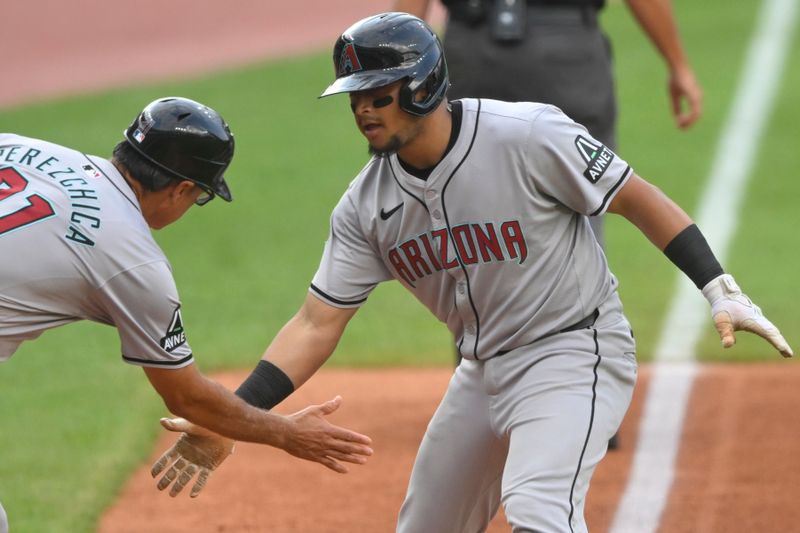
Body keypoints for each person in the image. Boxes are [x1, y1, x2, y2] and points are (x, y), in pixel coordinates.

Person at [152, 14, 791, 532]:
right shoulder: (366, 206)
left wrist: (718, 287)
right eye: (355, 100)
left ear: (424, 89)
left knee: (542, 511)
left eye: (379, 96)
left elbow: (636, 199)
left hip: (575, 351)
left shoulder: (529, 136)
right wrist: (229, 415)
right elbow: (317, 323)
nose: (363, 113)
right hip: (481, 372)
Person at [0, 97, 373, 528]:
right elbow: (186, 396)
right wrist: (286, 433)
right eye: (199, 196)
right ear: (180, 189)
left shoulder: (22, 147)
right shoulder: (134, 260)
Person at [397, 0, 704, 449]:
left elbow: (408, 10)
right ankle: (584, 399)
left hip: (472, 54)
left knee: (467, 230)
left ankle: (485, 404)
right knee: (583, 211)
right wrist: (678, 62)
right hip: (566, 55)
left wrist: (399, 74)